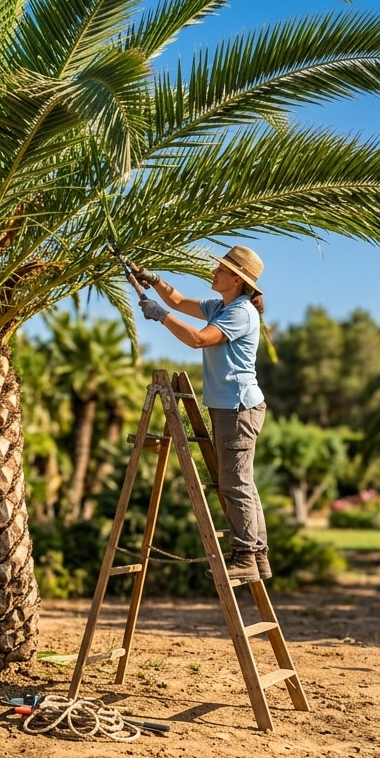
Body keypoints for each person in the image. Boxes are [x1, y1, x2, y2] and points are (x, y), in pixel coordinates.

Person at [134, 246, 270, 582]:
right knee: (243, 483)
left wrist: (159, 315)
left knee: (234, 484)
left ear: (237, 280)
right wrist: (154, 280)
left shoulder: (239, 312)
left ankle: (245, 557)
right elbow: (179, 301)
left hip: (238, 408)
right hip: (232, 406)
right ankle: (259, 554)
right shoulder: (221, 306)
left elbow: (198, 340)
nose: (214, 272)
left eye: (220, 269)